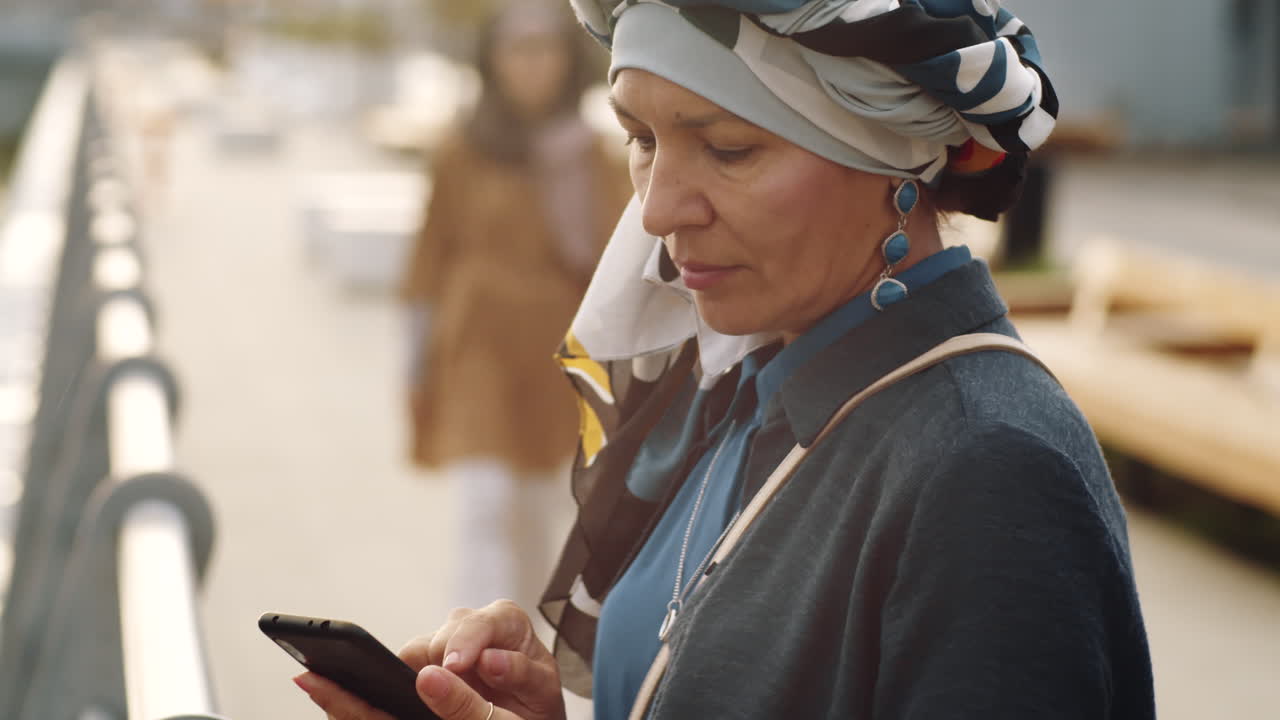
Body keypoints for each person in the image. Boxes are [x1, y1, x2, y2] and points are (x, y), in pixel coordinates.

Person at [304, 2, 1156, 719]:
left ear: (890, 157)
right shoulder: (742, 383)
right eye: (640, 138)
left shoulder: (985, 472)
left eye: (728, 148)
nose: (656, 210)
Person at [398, 0, 632, 613]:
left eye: (544, 48)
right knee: (483, 504)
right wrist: (413, 362)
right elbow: (429, 258)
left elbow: (619, 270)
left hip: (559, 360)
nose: (531, 64)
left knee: (537, 515)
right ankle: (464, 658)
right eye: (517, 49)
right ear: (492, 60)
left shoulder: (593, 156)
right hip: (476, 351)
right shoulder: (462, 149)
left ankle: (519, 651)